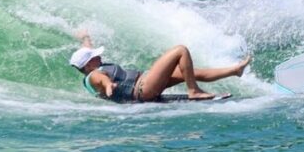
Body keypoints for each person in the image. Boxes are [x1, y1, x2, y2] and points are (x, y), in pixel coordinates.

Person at [69, 35, 249, 102]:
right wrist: (109, 86)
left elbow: (87, 50)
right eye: (95, 57)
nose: (99, 57)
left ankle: (234, 71)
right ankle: (193, 91)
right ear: (88, 65)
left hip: (146, 83)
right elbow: (102, 80)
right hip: (143, 88)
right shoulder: (93, 75)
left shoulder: (92, 65)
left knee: (189, 72)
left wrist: (84, 37)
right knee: (180, 50)